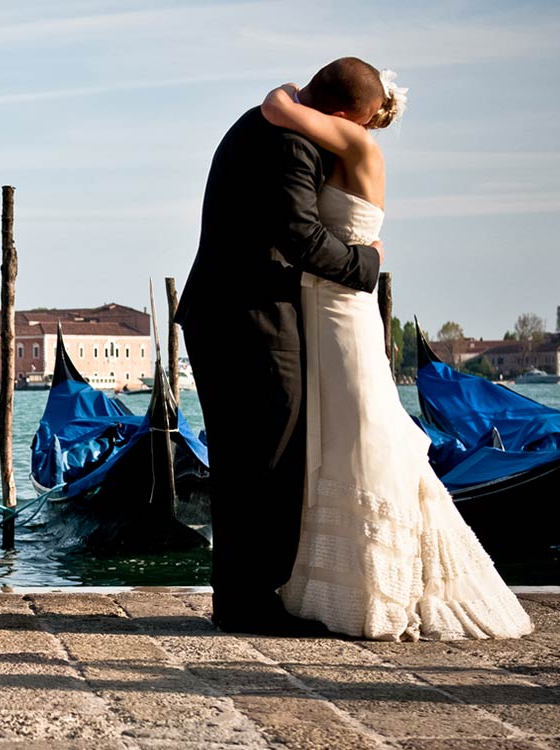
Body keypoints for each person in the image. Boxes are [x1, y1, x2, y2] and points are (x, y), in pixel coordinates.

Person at [258, 64, 532, 641]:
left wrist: (289, 88)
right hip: (321, 305)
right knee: (332, 435)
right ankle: (326, 581)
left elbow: (276, 107)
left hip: (338, 309)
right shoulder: (349, 140)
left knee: (362, 428)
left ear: (344, 114)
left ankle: (377, 587)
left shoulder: (355, 141)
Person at [181, 57, 385, 636]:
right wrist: (364, 264)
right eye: (359, 125)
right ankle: (252, 603)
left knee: (248, 455)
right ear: (342, 115)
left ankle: (241, 598)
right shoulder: (290, 144)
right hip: (250, 318)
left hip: (230, 313)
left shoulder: (262, 123)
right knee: (269, 454)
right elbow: (297, 235)